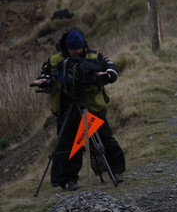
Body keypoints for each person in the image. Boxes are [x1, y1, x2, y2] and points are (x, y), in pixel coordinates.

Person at [33, 29, 126, 191]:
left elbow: (111, 67)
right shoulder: (55, 60)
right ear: (66, 48)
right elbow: (45, 75)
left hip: (92, 106)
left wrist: (109, 75)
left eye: (79, 48)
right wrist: (44, 81)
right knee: (69, 144)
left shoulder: (94, 56)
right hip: (66, 106)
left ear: (84, 45)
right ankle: (67, 180)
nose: (77, 51)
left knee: (104, 138)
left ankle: (116, 171)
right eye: (73, 49)